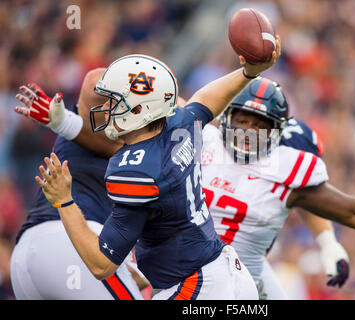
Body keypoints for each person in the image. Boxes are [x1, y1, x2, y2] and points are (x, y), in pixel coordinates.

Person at [32, 41, 282, 299]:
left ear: (139, 110)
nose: (105, 108)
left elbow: (101, 264)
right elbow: (206, 101)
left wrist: (64, 201)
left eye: (114, 102)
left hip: (199, 286)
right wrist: (247, 73)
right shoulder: (178, 123)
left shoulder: (136, 171)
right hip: (221, 274)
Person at [200, 77, 355, 298]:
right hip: (182, 268)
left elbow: (349, 210)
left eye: (259, 126)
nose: (248, 133)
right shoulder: (202, 142)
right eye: (242, 121)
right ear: (226, 117)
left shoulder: (286, 170)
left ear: (278, 135)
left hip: (237, 276)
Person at [10, 70, 144, 299]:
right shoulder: (79, 125)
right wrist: (65, 123)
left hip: (28, 257)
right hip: (73, 243)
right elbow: (95, 81)